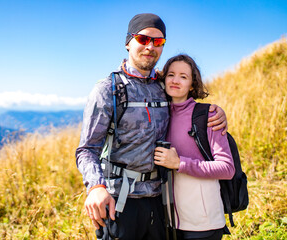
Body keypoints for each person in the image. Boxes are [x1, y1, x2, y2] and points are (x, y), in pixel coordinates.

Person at [76, 13, 227, 240]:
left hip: (161, 200)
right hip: (120, 202)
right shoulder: (109, 89)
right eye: (143, 39)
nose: (150, 47)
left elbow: (187, 104)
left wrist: (215, 113)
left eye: (158, 42)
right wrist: (96, 187)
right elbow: (87, 150)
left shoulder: (163, 85)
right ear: (128, 42)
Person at [154, 54, 235, 240]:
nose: (175, 80)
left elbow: (227, 168)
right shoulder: (159, 114)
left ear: (192, 84)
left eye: (183, 76)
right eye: (171, 75)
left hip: (203, 223)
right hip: (169, 221)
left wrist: (179, 163)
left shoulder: (208, 115)